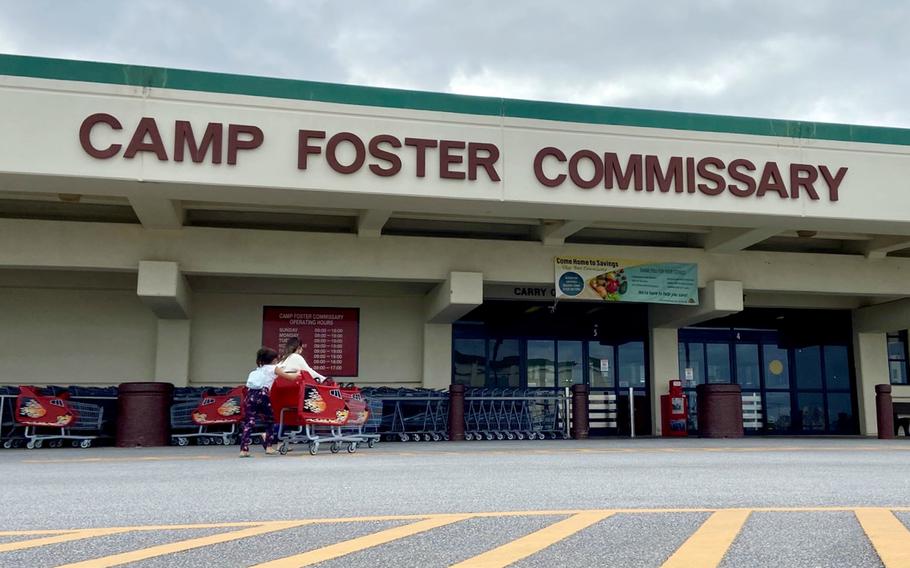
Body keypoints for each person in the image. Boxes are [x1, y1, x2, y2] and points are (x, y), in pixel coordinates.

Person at [238, 347, 296, 458]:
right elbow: (290, 377)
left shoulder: (257, 370)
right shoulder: (274, 368)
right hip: (263, 395)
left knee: (249, 422)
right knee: (270, 420)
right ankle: (269, 446)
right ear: (274, 359)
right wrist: (299, 373)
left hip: (249, 395)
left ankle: (243, 449)